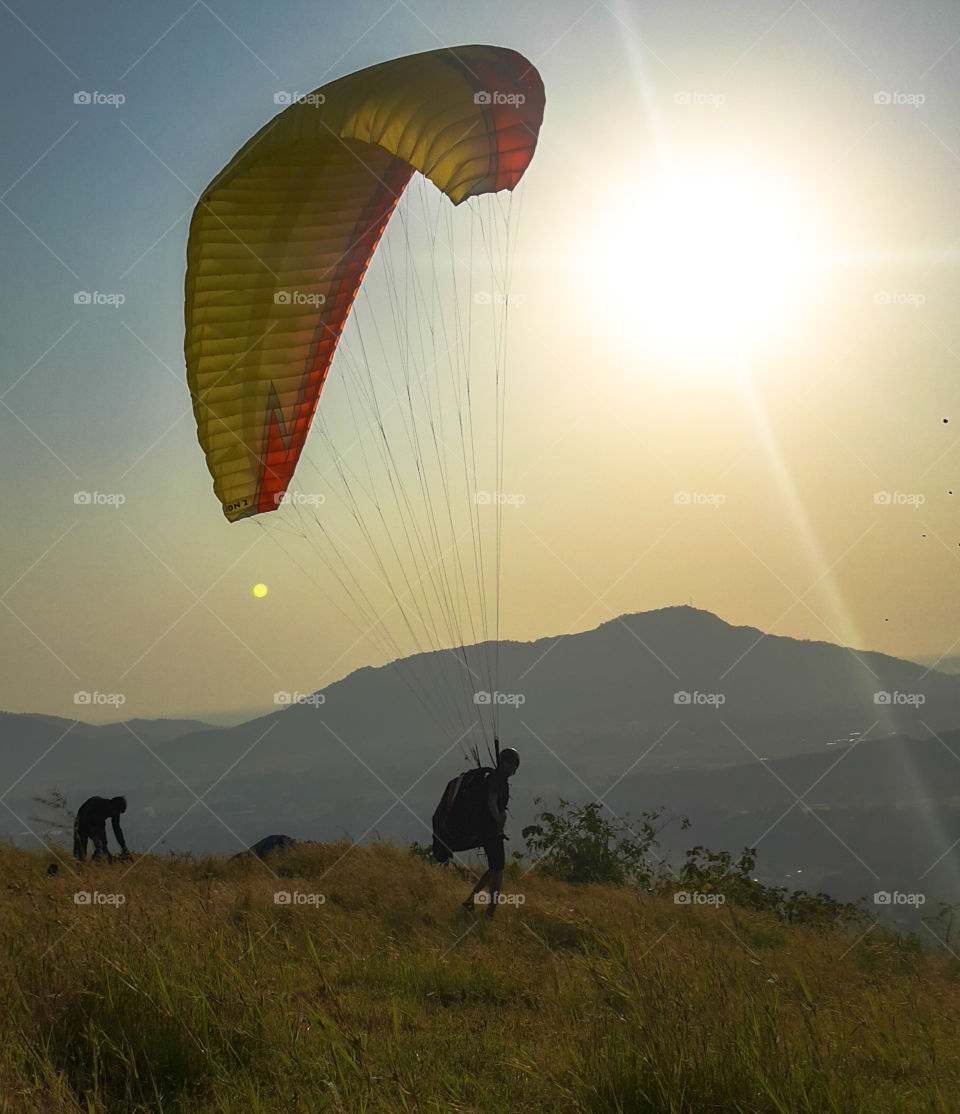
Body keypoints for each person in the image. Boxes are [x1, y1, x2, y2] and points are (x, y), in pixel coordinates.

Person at [463, 747, 520, 917]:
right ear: (504, 763)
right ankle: (490, 912)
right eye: (510, 764)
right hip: (491, 831)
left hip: (488, 831)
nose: (512, 767)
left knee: (493, 868)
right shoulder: (496, 780)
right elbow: (491, 802)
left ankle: (470, 900)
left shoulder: (497, 778)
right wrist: (499, 819)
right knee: (498, 872)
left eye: (514, 764)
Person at [73, 796, 130, 863]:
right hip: (83, 820)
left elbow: (117, 829)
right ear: (112, 806)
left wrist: (124, 847)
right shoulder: (98, 804)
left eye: (118, 813)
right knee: (80, 852)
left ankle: (96, 863)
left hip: (96, 823)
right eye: (116, 812)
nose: (115, 814)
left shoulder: (115, 810)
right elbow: (85, 821)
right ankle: (82, 864)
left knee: (102, 850)